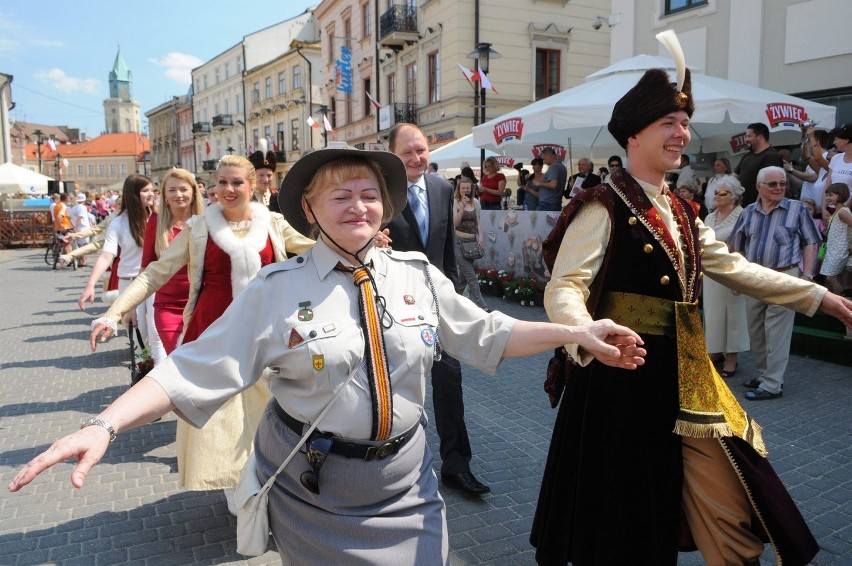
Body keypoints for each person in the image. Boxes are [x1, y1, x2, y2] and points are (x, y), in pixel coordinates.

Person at [8, 146, 646, 566]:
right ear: (309, 210)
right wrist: (104, 424)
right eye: (338, 196)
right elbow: (195, 368)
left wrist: (575, 335)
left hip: (409, 485)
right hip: (317, 493)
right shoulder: (275, 291)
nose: (357, 206)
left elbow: (490, 333)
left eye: (368, 194)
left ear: (385, 206)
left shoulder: (418, 275)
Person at [533, 54, 852, 565]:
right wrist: (587, 333)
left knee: (732, 485)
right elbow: (564, 286)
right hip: (623, 376)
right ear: (634, 134)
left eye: (685, 123)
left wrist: (819, 296)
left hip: (685, 374)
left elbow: (735, 266)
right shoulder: (604, 203)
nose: (682, 133)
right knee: (626, 509)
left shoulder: (681, 209)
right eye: (669, 123)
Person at [87, 156, 314, 511]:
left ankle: (267, 483)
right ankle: (242, 493)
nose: (228, 189)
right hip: (213, 332)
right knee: (223, 419)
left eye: (236, 182)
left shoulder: (271, 223)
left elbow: (319, 248)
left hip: (270, 332)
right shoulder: (198, 226)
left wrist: (369, 243)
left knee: (271, 413)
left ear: (252, 185)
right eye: (221, 182)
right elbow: (154, 273)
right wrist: (114, 312)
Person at [385, 123, 490, 495]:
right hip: (391, 307)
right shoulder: (379, 192)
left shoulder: (442, 188)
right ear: (392, 156)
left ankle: (457, 465)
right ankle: (393, 469)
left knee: (449, 382)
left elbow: (445, 248)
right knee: (395, 385)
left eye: (421, 150)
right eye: (407, 152)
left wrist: (452, 294)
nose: (416, 158)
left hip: (435, 303)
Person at [730, 166, 823, 401]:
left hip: (784, 277)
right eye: (773, 184)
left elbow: (811, 242)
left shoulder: (797, 209)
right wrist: (736, 277)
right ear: (759, 187)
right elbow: (737, 246)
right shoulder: (748, 212)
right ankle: (765, 376)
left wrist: (808, 276)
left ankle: (772, 385)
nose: (779, 188)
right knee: (757, 331)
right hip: (753, 277)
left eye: (782, 183)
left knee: (776, 332)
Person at [78, 175, 155, 349]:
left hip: (156, 282)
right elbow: (107, 255)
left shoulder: (159, 217)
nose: (150, 194)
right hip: (129, 283)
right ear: (133, 194)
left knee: (157, 332)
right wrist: (90, 285)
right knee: (140, 334)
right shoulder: (119, 223)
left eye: (152, 190)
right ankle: (143, 364)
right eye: (145, 190)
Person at [139, 169, 205, 358]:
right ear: (165, 195)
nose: (178, 195)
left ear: (193, 192)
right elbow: (146, 265)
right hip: (168, 306)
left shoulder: (206, 220)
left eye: (183, 189)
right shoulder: (156, 221)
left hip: (201, 305)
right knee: (179, 361)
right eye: (172, 190)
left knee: (201, 363)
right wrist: (131, 307)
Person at [703, 176, 749, 377]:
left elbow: (746, 245)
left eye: (723, 193)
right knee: (713, 314)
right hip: (711, 274)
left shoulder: (743, 215)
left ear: (734, 196)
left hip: (732, 271)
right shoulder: (709, 217)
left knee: (734, 315)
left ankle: (732, 358)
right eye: (715, 192)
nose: (717, 196)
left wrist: (741, 277)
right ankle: (713, 351)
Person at [452, 176, 489, 311]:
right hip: (459, 243)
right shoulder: (456, 202)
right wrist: (462, 205)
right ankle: (482, 306)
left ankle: (453, 302)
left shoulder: (476, 203)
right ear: (459, 189)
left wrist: (481, 237)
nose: (465, 190)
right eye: (463, 188)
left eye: (468, 188)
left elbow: (478, 222)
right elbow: (455, 223)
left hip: (472, 244)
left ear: (472, 188)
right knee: (471, 276)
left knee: (463, 279)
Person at [734, 122, 784, 206]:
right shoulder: (747, 156)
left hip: (759, 209)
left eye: (749, 136)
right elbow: (734, 175)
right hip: (743, 207)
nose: (746, 139)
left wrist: (757, 208)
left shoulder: (771, 156)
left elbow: (768, 185)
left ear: (760, 137)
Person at [818, 183, 852, 295]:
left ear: (840, 195)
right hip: (832, 249)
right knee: (828, 278)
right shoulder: (837, 212)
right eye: (827, 195)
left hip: (839, 250)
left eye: (830, 195)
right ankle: (829, 304)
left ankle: (840, 300)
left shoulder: (843, 212)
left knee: (830, 278)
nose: (827, 198)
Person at [795, 128, 831, 209]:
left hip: (820, 208)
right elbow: (806, 154)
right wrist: (805, 136)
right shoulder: (814, 158)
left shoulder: (827, 158)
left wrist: (790, 170)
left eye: (810, 141)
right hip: (813, 206)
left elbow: (812, 177)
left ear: (816, 142)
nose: (808, 144)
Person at [249, 138, 281, 213]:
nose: (266, 179)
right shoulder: (245, 198)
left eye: (269, 175)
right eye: (261, 175)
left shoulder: (279, 197)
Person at [823, 124, 852, 198]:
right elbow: (827, 186)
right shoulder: (836, 158)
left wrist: (842, 208)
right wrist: (823, 207)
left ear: (846, 140)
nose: (834, 142)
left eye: (836, 139)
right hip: (830, 207)